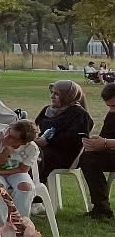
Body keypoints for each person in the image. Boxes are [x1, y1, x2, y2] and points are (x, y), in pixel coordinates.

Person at [35, 80, 94, 183]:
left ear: (68, 96)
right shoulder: (47, 110)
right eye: (52, 93)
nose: (52, 96)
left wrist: (48, 141)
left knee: (36, 157)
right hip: (43, 147)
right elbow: (36, 127)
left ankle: (35, 189)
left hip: (64, 154)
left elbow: (75, 139)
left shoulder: (79, 114)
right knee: (22, 152)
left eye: (57, 94)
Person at [0, 119, 41, 220]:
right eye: (9, 131)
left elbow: (23, 169)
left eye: (13, 138)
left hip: (15, 171)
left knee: (26, 187)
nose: (6, 137)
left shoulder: (32, 148)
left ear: (23, 142)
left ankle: (19, 222)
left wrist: (0, 171)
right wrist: (6, 151)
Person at [79, 82, 115, 220]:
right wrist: (94, 143)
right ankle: (101, 207)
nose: (111, 110)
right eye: (109, 106)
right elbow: (105, 136)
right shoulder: (112, 115)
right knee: (88, 158)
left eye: (114, 106)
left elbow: (106, 141)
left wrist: (105, 143)